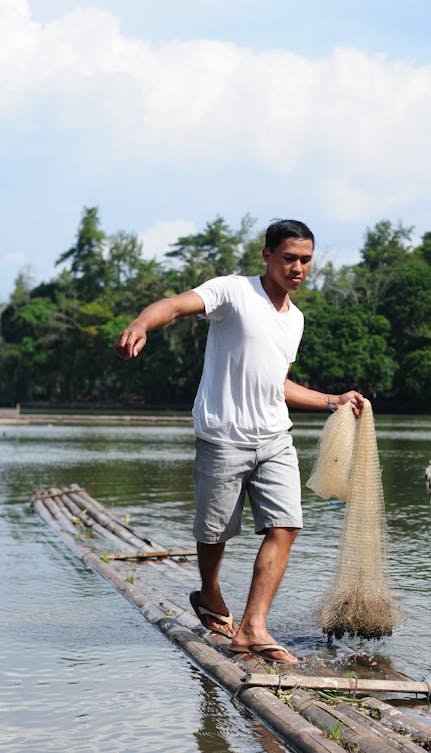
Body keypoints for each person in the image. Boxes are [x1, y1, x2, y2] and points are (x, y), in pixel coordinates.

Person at [114, 219, 364, 663]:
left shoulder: (296, 320)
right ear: (267, 255)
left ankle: (252, 627)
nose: (298, 268)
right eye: (289, 258)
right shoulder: (233, 292)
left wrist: (333, 400)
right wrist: (141, 322)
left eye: (306, 260)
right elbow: (174, 306)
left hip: (274, 439)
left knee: (287, 525)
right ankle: (209, 592)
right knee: (213, 535)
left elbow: (278, 385)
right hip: (222, 438)